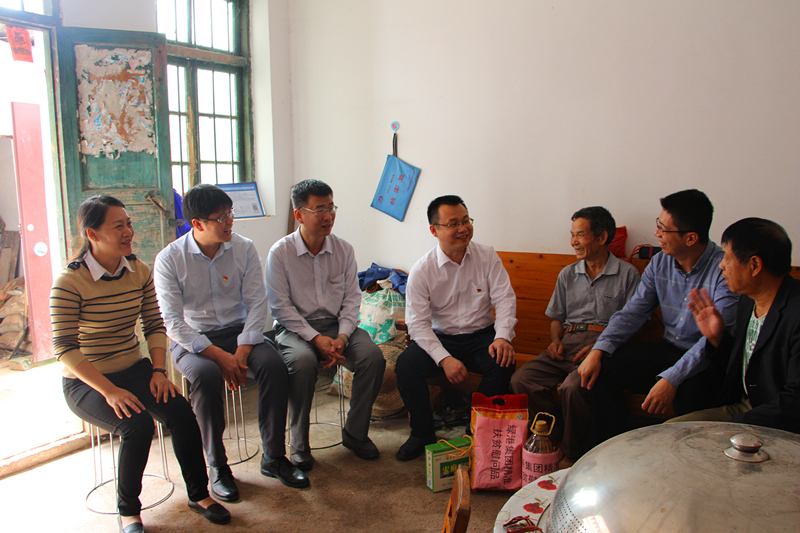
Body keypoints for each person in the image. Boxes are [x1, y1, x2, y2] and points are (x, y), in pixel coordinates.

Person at [52, 196, 230, 533]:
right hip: (87, 381)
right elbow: (64, 348)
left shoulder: (139, 270)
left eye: (129, 223)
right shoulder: (69, 282)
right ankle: (129, 512)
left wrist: (159, 372)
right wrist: (110, 392)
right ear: (92, 234)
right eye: (118, 226)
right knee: (137, 427)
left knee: (182, 413)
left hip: (135, 370)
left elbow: (154, 325)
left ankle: (199, 495)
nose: (128, 232)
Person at [154, 184, 308, 502]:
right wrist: (219, 357)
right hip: (193, 339)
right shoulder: (169, 259)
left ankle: (274, 456)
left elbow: (256, 303)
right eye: (221, 217)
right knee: (206, 375)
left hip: (240, 333)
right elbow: (173, 322)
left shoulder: (244, 248)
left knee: (274, 366)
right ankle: (217, 466)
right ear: (197, 224)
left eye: (230, 213)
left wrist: (241, 350)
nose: (229, 221)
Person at [578, 189, 740, 447]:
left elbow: (712, 342)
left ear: (691, 238)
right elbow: (632, 313)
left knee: (691, 392)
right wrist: (599, 350)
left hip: (709, 358)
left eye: (663, 229)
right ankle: (610, 450)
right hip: (669, 348)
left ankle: (680, 459)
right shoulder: (659, 263)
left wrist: (672, 378)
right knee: (604, 370)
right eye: (658, 225)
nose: (656, 234)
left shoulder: (725, 269)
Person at [266, 179, 386, 469]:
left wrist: (342, 338)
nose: (328, 216)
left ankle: (355, 433)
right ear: (299, 214)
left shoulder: (344, 250)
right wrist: (316, 339)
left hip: (337, 326)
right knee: (303, 362)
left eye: (331, 208)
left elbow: (352, 300)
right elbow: (281, 308)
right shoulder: (280, 253)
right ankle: (299, 444)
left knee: (372, 357)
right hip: (295, 329)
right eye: (319, 209)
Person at [509, 207, 640, 464]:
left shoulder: (627, 274)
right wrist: (555, 341)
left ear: (602, 237)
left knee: (572, 388)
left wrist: (600, 347)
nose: (573, 242)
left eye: (580, 235)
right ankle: (552, 437)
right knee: (521, 379)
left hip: (602, 346)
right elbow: (557, 319)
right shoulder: (568, 274)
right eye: (572, 235)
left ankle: (572, 454)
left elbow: (633, 325)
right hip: (567, 342)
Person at [394, 195, 518, 461]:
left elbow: (505, 299)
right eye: (453, 224)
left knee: (503, 362)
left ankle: (476, 435)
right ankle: (422, 433)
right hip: (441, 339)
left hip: (481, 337)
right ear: (434, 230)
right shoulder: (423, 269)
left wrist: (502, 337)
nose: (463, 229)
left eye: (466, 221)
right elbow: (417, 324)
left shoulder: (487, 256)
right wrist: (444, 359)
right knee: (406, 365)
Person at [669, 218, 800, 433]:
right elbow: (745, 366)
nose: (721, 265)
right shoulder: (748, 301)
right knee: (671, 432)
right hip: (746, 407)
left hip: (779, 423)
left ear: (754, 265)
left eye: (727, 258)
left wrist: (731, 428)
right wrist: (718, 338)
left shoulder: (795, 311)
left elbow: (795, 401)